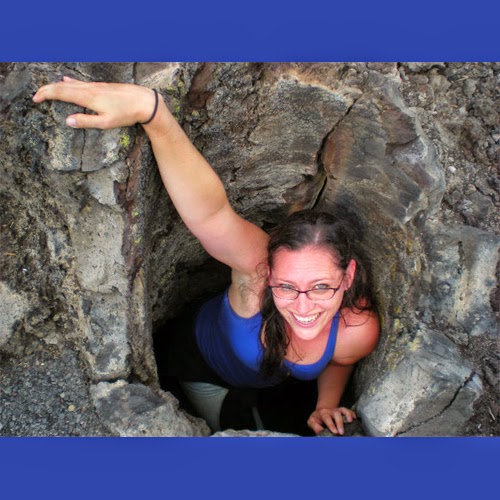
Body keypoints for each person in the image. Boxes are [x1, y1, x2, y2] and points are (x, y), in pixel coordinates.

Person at [33, 77, 380, 435]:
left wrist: (325, 404)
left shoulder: (357, 328)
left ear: (348, 276)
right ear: (269, 273)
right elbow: (211, 214)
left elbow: (339, 359)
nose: (303, 307)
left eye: (321, 287)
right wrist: (154, 114)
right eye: (286, 287)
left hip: (266, 381)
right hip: (201, 368)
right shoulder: (257, 274)